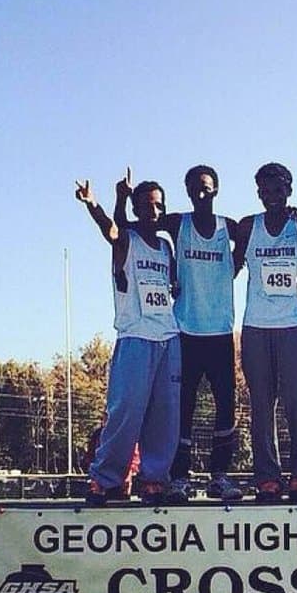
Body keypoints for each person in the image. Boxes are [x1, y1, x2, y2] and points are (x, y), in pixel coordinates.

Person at [114, 166, 243, 503]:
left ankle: (220, 476)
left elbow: (248, 239)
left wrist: (235, 264)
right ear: (186, 191)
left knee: (225, 405)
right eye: (195, 188)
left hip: (220, 331)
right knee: (181, 409)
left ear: (216, 190)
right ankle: (180, 477)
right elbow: (126, 228)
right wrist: (121, 200)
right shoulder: (177, 223)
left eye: (207, 188)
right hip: (184, 330)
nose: (201, 194)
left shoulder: (228, 227)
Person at [74, 176, 181, 506]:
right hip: (135, 336)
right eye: (146, 205)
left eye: (159, 204)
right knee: (125, 412)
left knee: (164, 416)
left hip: (168, 337)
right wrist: (98, 202)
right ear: (135, 209)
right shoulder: (126, 241)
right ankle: (105, 479)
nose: (154, 210)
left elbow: (173, 287)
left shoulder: (165, 247)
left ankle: (154, 480)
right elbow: (111, 230)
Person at [237, 162, 297, 503]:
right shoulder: (248, 227)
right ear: (258, 193)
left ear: (289, 190)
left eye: (278, 190)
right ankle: (268, 478)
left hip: (294, 326)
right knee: (261, 405)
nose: (272, 196)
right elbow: (226, 258)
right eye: (265, 191)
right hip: (257, 327)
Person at [82, 412, 140, 499]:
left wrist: (133, 469)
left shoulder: (125, 434)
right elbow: (91, 453)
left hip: (123, 475)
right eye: (104, 418)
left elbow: (134, 453)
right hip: (102, 474)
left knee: (120, 498)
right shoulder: (98, 434)